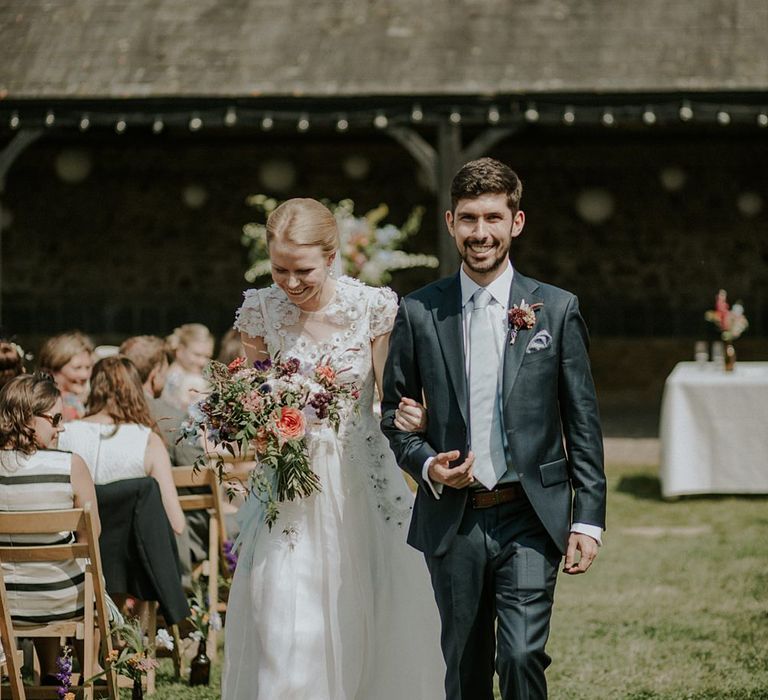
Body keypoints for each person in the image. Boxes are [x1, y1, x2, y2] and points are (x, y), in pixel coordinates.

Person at [381, 157, 607, 700]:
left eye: (492, 218)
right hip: (453, 519)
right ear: (450, 222)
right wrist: (429, 463)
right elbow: (395, 415)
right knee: (465, 663)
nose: (480, 233)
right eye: (468, 219)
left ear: (516, 222)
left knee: (523, 654)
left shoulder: (555, 309)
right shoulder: (417, 312)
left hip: (531, 511)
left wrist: (589, 520)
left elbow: (582, 421)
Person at [223, 198, 444, 700]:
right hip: (288, 486)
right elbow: (249, 397)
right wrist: (255, 426)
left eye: (303, 270)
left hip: (359, 481)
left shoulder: (373, 308)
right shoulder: (259, 310)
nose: (291, 282)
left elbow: (394, 399)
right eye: (280, 269)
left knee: (378, 606)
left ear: (331, 254)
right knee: (281, 611)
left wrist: (417, 415)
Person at [0, 372, 100, 681]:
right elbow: (92, 537)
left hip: (3, 602)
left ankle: (52, 671)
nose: (61, 427)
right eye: (55, 419)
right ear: (28, 418)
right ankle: (86, 667)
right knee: (81, 567)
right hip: (60, 599)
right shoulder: (70, 465)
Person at [57, 356, 185, 535]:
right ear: (135, 390)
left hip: (77, 552)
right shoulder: (147, 440)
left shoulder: (62, 434)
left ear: (94, 387)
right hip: (128, 556)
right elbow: (176, 524)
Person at [37, 331, 94, 421]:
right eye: (77, 368)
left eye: (88, 367)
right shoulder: (61, 407)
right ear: (53, 370)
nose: (85, 375)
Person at [161, 323, 214, 412]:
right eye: (197, 355)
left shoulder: (194, 375)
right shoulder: (175, 380)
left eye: (207, 356)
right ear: (180, 350)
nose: (203, 362)